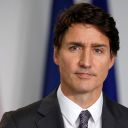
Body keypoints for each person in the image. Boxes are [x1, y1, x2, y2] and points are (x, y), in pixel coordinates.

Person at [0, 2, 128, 128]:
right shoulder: (17, 124)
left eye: (98, 50)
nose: (86, 62)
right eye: (75, 48)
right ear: (56, 54)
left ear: (111, 59)